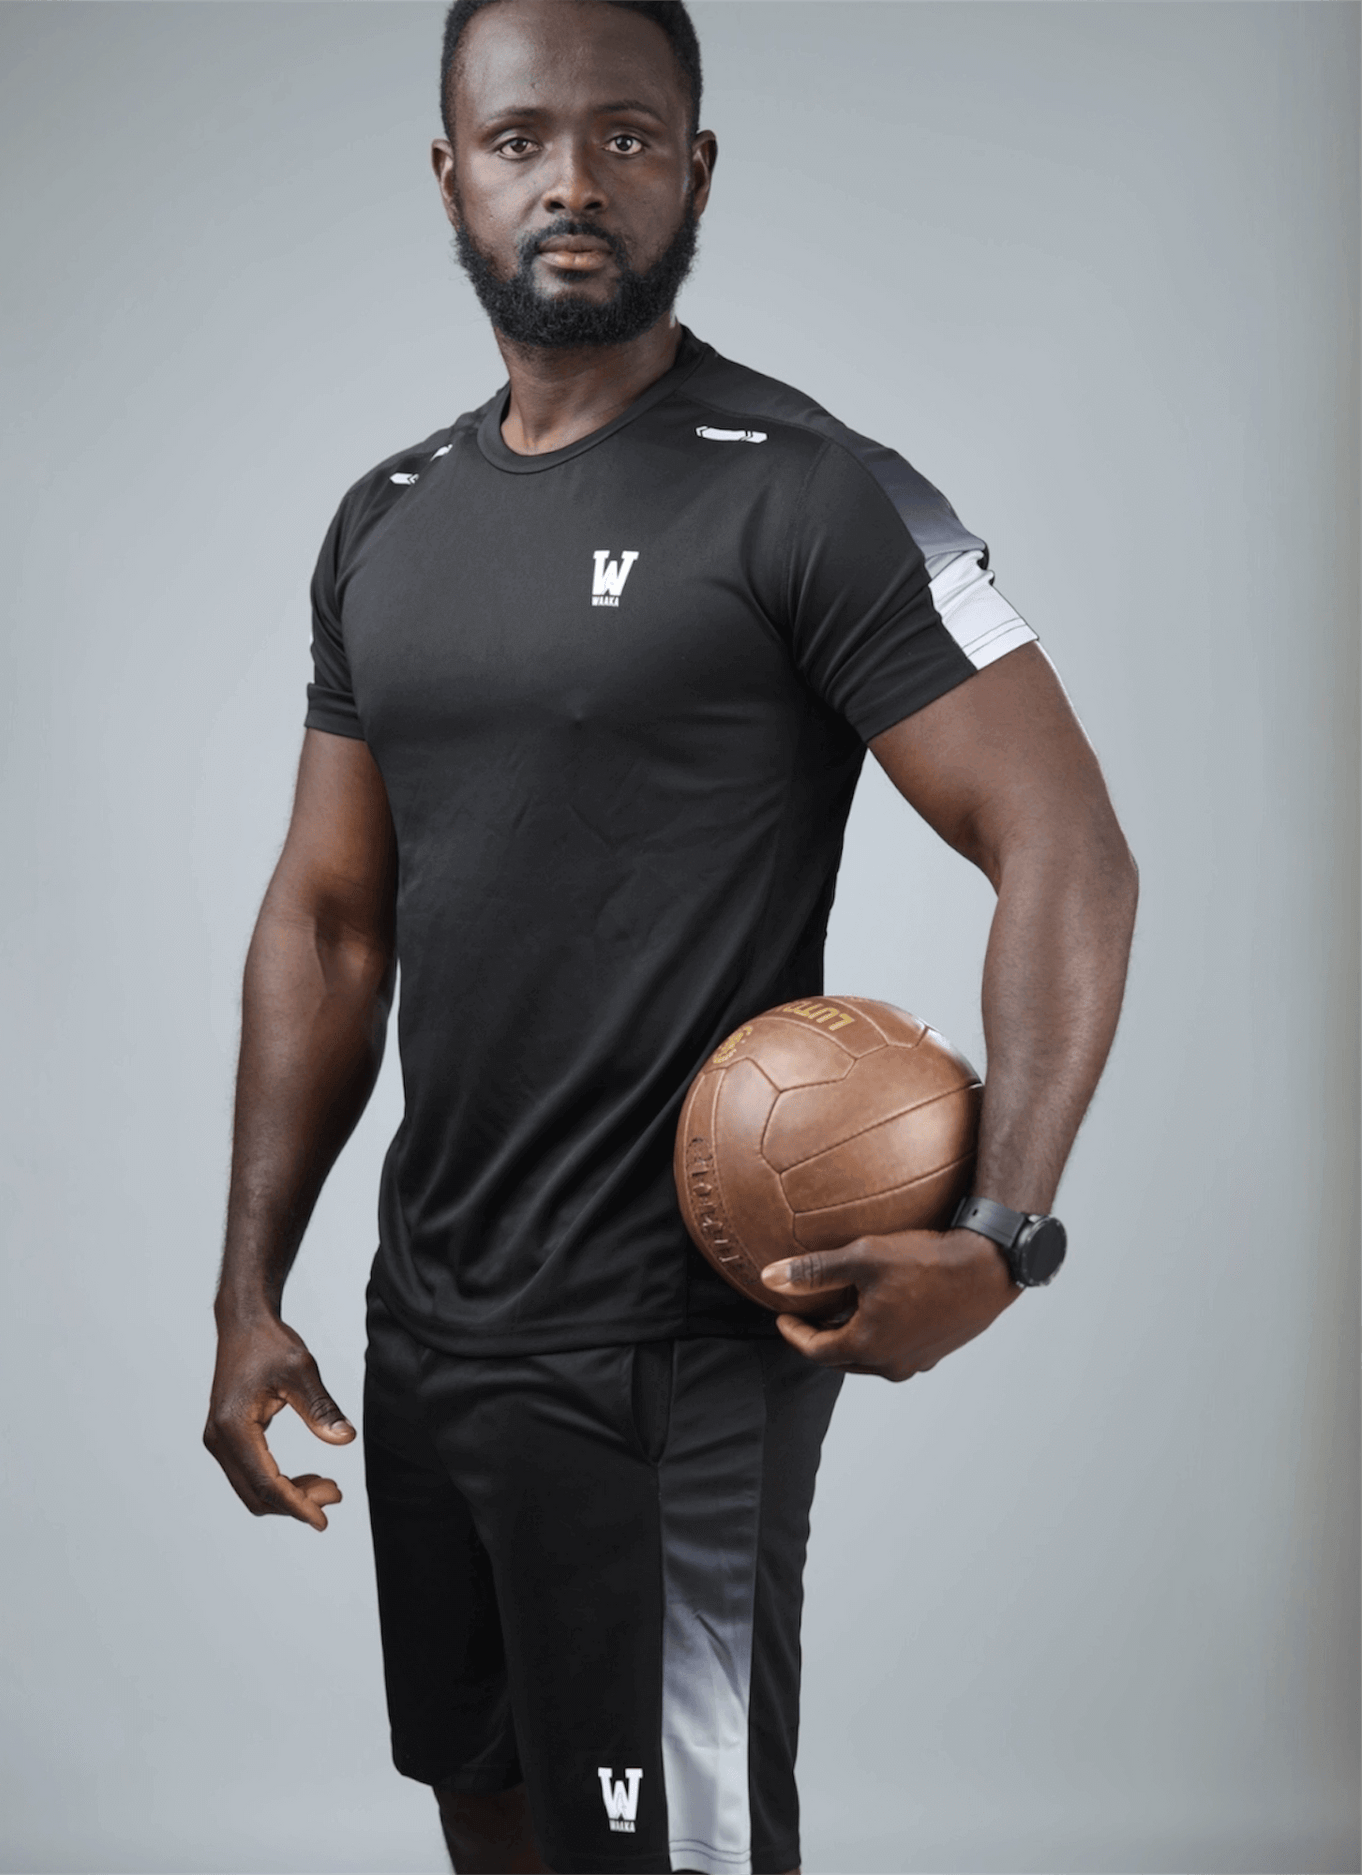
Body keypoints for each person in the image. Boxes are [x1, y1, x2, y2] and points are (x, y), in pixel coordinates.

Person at [203, 2, 1139, 1871]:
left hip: (672, 1349)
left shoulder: (810, 488)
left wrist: (1006, 1233)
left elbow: (1068, 848)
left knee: (668, 1853)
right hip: (432, 1323)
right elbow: (326, 924)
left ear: (695, 169)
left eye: (628, 138)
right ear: (452, 168)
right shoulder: (383, 519)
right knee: (496, 1822)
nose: (574, 179)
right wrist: (250, 1292)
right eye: (525, 136)